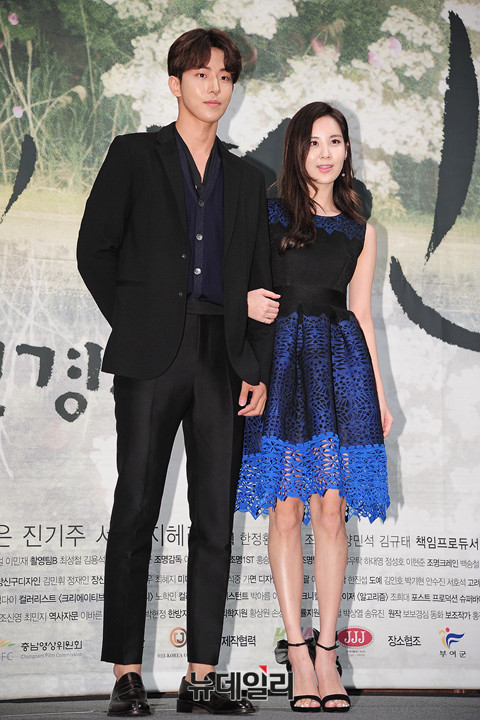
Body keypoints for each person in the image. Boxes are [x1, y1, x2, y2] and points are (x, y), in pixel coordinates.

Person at [77, 28, 274, 717]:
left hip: (222, 357)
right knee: (135, 509)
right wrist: (138, 321)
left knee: (215, 519)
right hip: (150, 357)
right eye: (201, 75)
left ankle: (201, 678)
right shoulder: (134, 155)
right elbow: (94, 250)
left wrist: (253, 364)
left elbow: (262, 281)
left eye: (225, 76)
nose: (215, 87)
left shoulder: (248, 178)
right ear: (175, 84)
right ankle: (126, 674)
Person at [238, 102, 393, 713]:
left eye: (335, 142)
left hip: (341, 368)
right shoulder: (267, 215)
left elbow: (364, 316)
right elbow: (241, 288)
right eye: (313, 142)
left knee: (332, 511)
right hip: (280, 365)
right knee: (286, 509)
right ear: (295, 149)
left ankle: (328, 654)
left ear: (346, 151)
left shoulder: (361, 229)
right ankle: (297, 653)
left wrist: (377, 394)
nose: (325, 153)